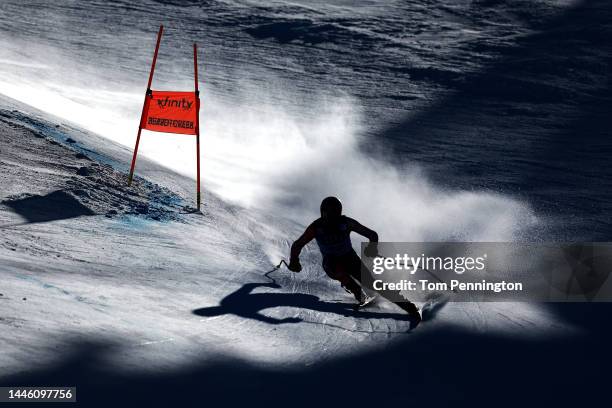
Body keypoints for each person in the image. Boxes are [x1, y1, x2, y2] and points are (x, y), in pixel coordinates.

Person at [288, 196, 421, 323]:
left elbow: (372, 234)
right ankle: (357, 291)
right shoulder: (317, 228)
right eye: (330, 214)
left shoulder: (345, 223)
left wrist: (372, 249)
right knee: (338, 269)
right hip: (331, 262)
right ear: (323, 213)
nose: (333, 218)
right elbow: (297, 244)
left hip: (349, 258)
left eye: (335, 214)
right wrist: (294, 261)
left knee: (372, 283)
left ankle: (408, 306)